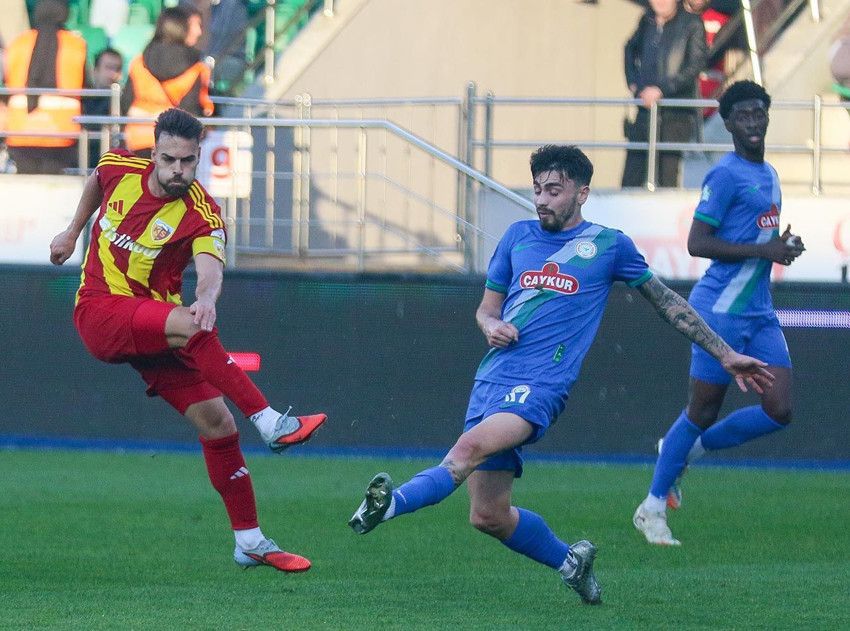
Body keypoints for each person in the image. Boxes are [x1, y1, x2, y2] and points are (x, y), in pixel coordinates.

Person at [348, 144, 774, 604]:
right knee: (488, 515)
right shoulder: (517, 237)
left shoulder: (609, 245)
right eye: (537, 189)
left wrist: (724, 353)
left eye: (553, 190)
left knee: (466, 450)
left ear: (581, 193)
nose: (542, 199)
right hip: (491, 381)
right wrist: (491, 326)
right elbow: (487, 310)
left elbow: (668, 303)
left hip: (540, 387)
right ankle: (572, 563)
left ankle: (389, 504)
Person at [49, 107, 327, 572]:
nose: (178, 170)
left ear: (199, 157)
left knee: (218, 423)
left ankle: (249, 541)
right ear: (153, 154)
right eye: (169, 159)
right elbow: (96, 177)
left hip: (153, 327)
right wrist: (73, 230)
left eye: (187, 161)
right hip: (99, 311)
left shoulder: (201, 212)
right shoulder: (120, 168)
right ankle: (271, 422)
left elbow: (210, 267)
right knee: (190, 326)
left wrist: (207, 297)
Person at [632, 81, 805, 547]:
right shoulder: (725, 176)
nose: (752, 121)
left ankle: (684, 451)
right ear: (727, 123)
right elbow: (697, 243)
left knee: (780, 409)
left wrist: (781, 245)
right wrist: (765, 250)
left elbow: (758, 239)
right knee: (702, 410)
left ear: (767, 117)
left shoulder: (769, 173)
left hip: (759, 311)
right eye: (742, 115)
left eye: (758, 113)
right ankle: (652, 507)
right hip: (720, 311)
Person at [622, 0, 708, 188]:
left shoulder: (692, 23)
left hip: (675, 113)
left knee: (667, 176)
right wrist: (634, 84)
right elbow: (629, 48)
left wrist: (662, 90)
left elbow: (696, 65)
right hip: (645, 110)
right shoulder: (647, 20)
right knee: (631, 175)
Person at [3, 0, 88, 174]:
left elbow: (7, 82)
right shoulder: (76, 45)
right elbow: (87, 87)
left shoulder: (19, 43)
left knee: (25, 184)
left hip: (21, 131)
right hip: (61, 133)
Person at [121, 6, 214, 158]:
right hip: (174, 145)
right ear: (184, 29)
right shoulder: (196, 68)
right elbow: (191, 111)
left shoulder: (139, 62)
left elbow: (126, 102)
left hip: (137, 139)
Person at [81, 47, 123, 169]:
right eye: (108, 68)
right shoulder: (82, 99)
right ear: (95, 70)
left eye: (117, 69)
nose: (113, 74)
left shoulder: (123, 101)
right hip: (83, 158)